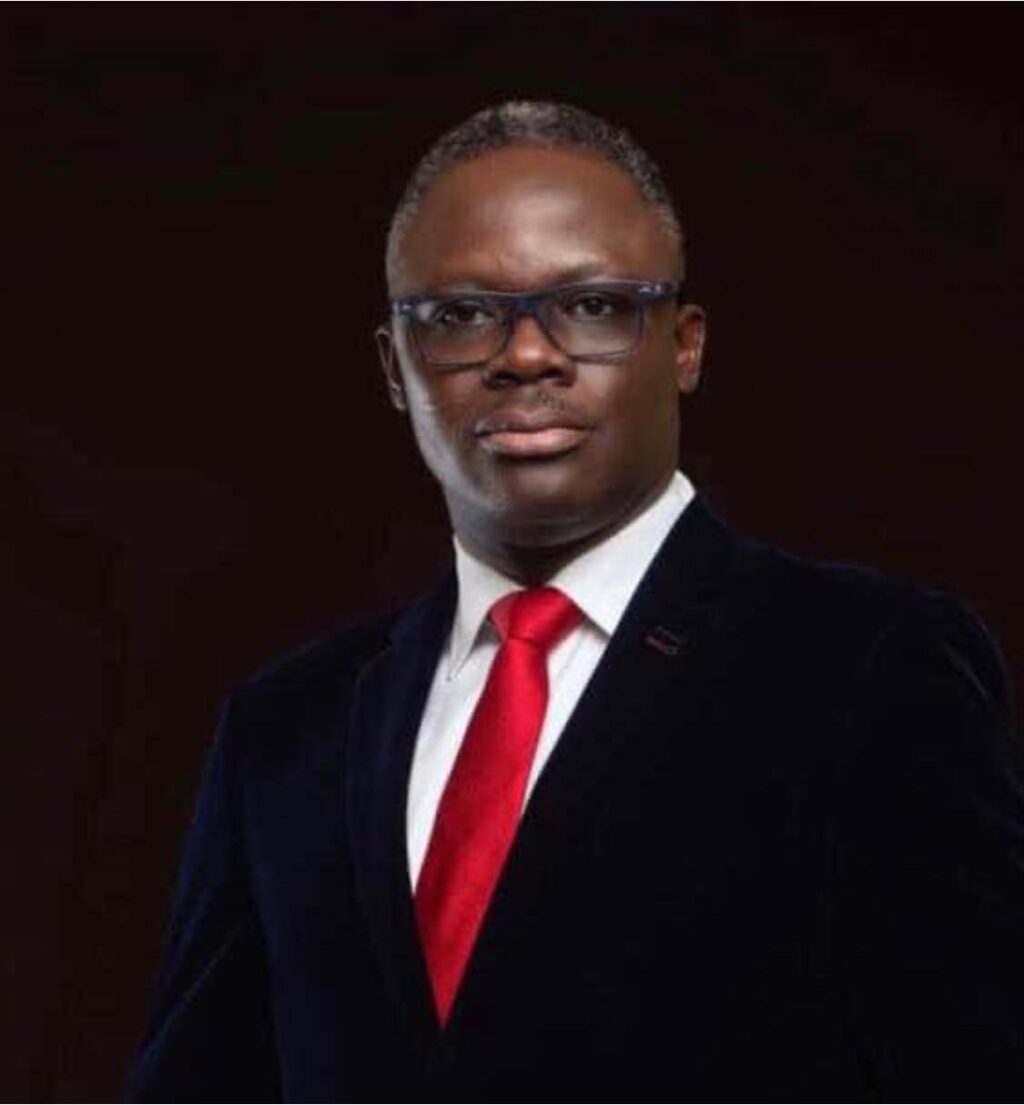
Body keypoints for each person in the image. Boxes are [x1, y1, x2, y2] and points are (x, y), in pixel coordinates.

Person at [127, 101, 1024, 1100]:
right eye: (461, 314)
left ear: (683, 345)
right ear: (394, 367)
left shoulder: (868, 669)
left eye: (593, 305)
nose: (525, 354)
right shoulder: (287, 731)